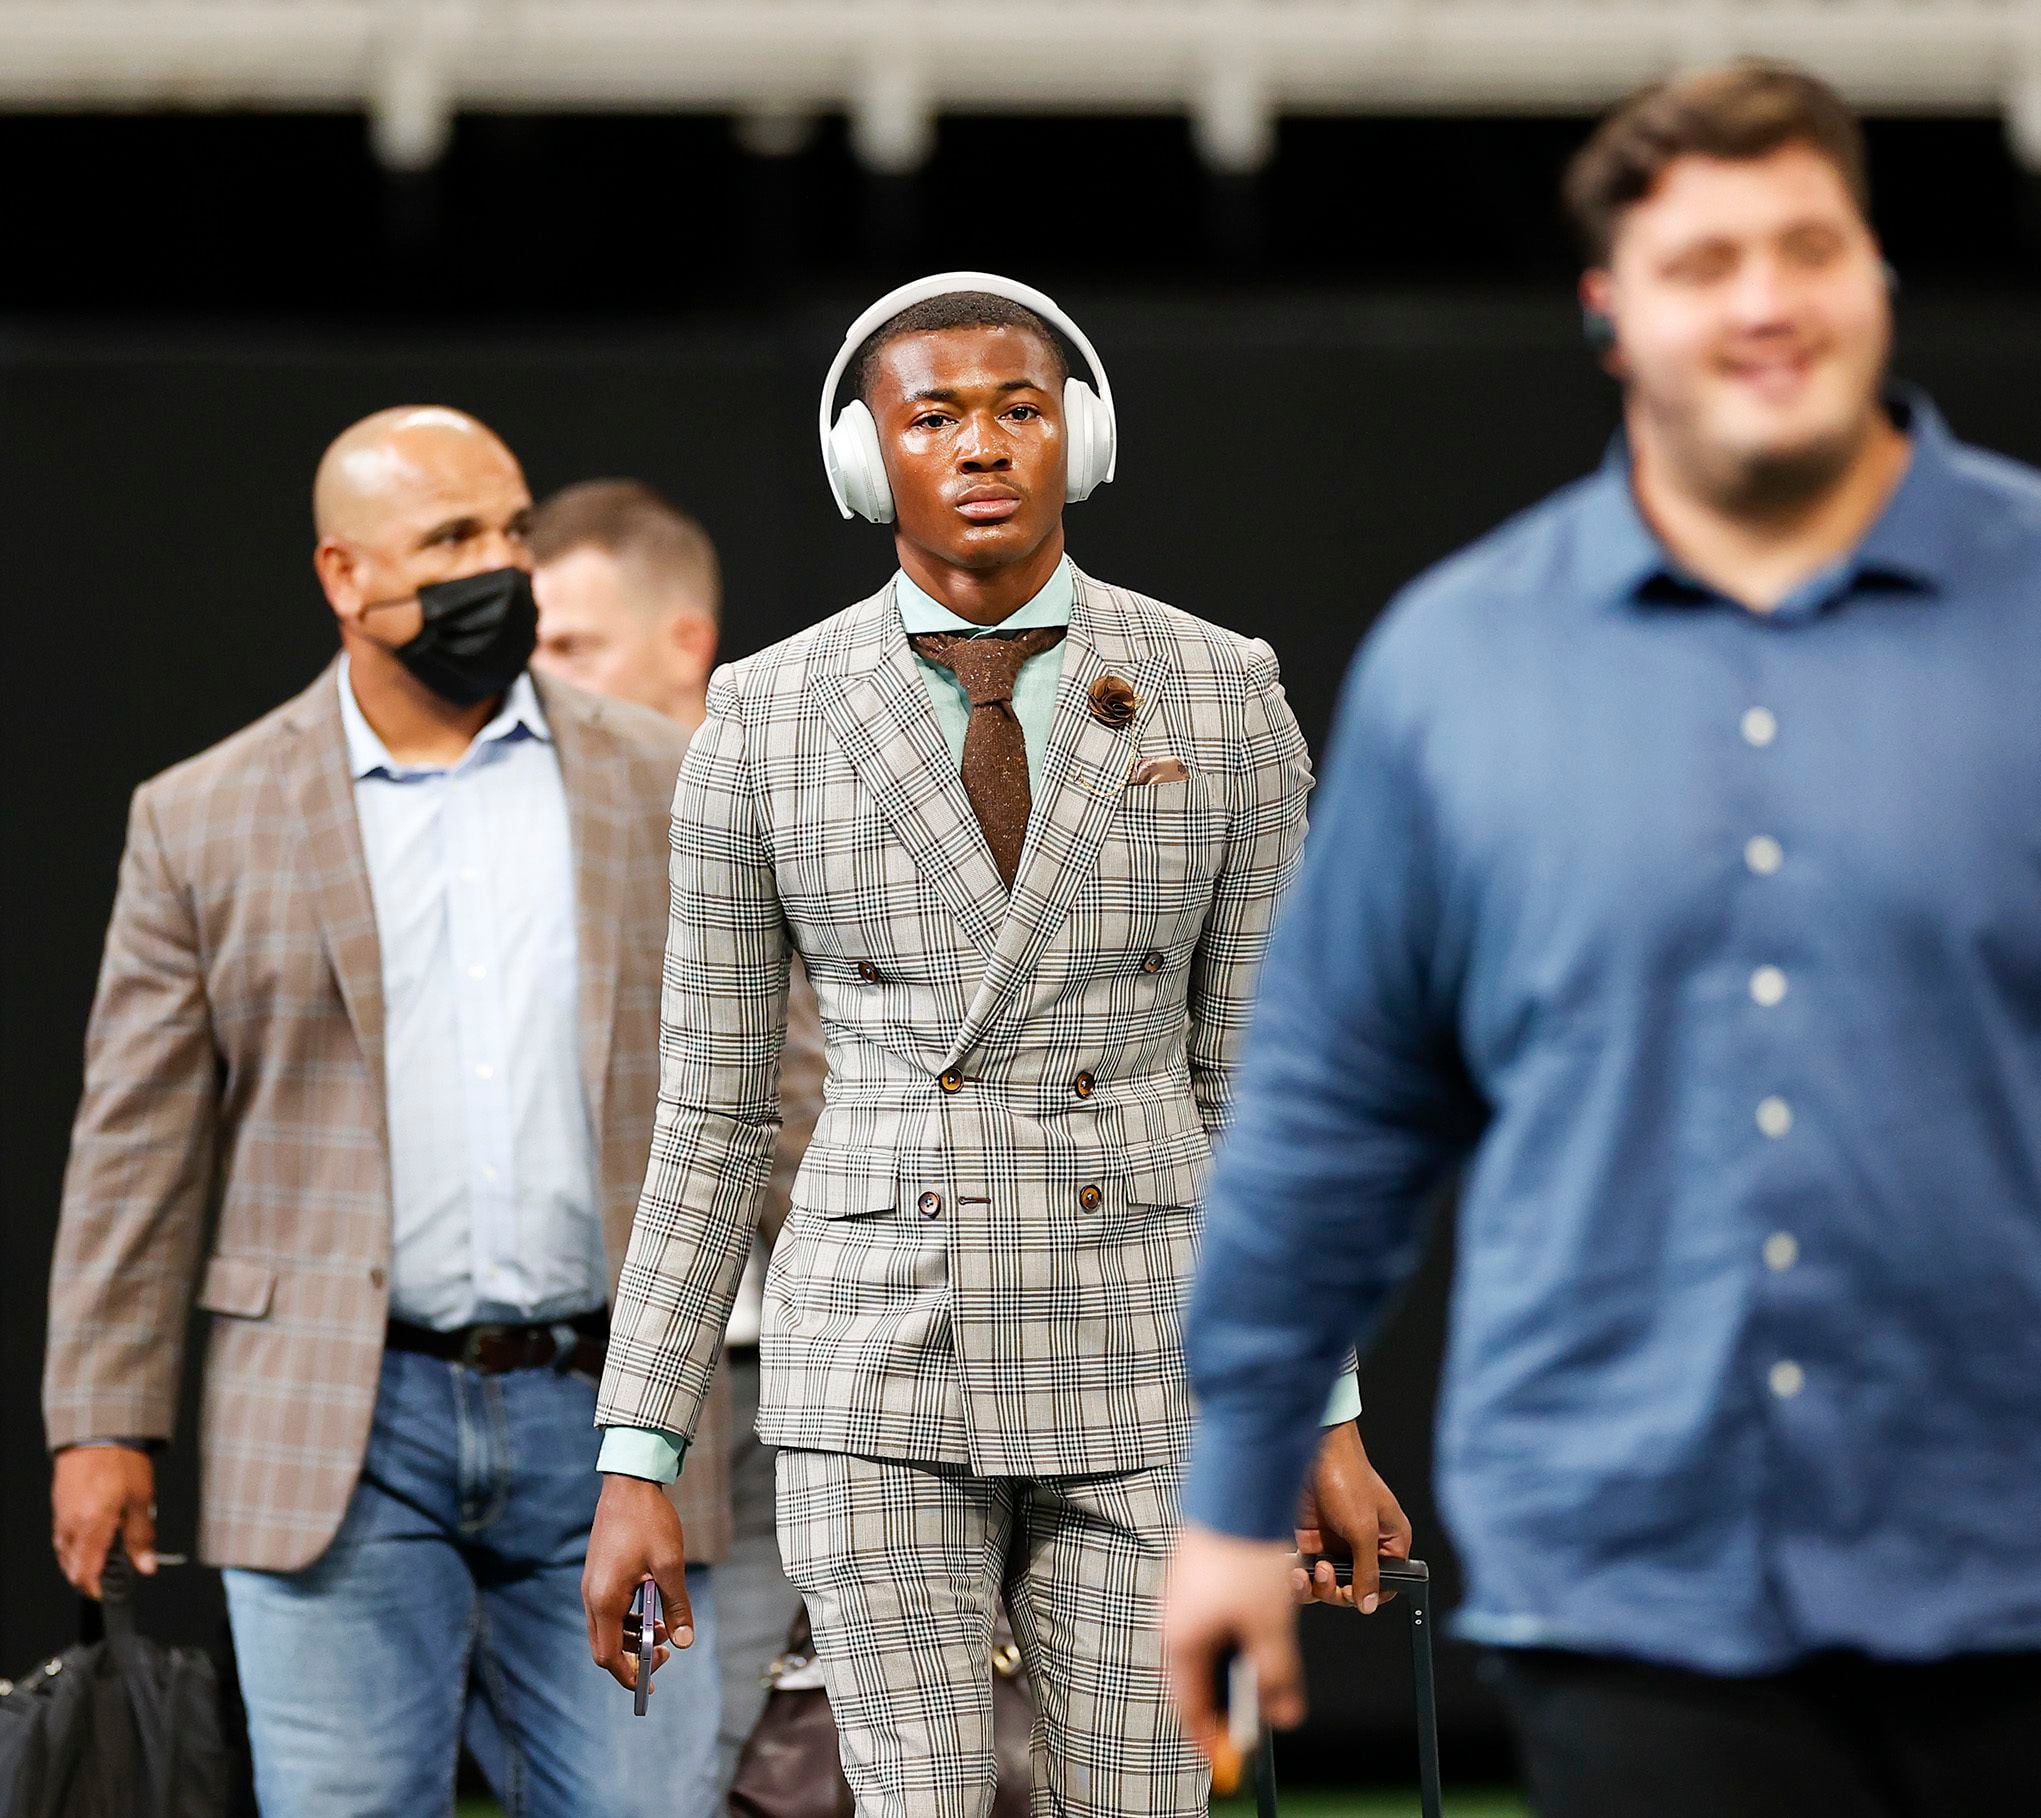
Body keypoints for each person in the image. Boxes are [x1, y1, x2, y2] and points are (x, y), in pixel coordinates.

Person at [1161, 61, 2041, 1818]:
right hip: (1627, 1587)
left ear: (1878, 277)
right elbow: (1332, 1115)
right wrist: (1233, 1486)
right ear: (1610, 312)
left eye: (1809, 246)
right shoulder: (1463, 665)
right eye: (1705, 260)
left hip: (2038, 1570)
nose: (1764, 301)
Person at [578, 273, 1411, 1818]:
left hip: (1147, 1355)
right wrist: (640, 1448)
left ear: (1078, 438)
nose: (980, 444)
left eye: (1019, 408)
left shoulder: (1222, 692)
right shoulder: (763, 720)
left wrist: (1328, 1409)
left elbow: (1264, 1092)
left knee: (1157, 1798)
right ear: (864, 460)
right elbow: (709, 1116)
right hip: (878, 1361)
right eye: (934, 415)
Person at [45, 407, 730, 1818]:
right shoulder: (204, 815)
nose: (500, 567)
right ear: (345, 577)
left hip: (621, 1421)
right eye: (451, 540)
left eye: (513, 530)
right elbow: (137, 1144)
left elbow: (780, 1090)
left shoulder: (669, 784)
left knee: (653, 1804)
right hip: (334, 1426)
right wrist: (104, 1418)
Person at [530, 476, 832, 1786]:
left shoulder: (809, 805)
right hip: (577, 1379)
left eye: (573, 644)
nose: (542, 677)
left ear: (685, 642)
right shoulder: (529, 829)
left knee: (731, 1761)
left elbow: (809, 1103)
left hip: (783, 1388)